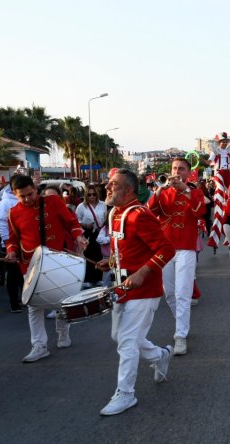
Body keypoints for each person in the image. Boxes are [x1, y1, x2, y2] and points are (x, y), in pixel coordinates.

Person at [95, 169, 176, 416]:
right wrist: (109, 262)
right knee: (120, 338)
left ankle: (126, 394)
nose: (107, 188)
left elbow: (165, 249)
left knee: (127, 342)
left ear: (128, 190)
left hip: (145, 290)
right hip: (120, 288)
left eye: (113, 185)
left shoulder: (140, 215)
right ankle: (160, 355)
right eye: (108, 184)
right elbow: (125, 249)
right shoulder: (114, 213)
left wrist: (141, 273)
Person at [5, 175, 88, 362]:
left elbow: (71, 222)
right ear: (14, 194)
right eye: (22, 196)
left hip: (57, 260)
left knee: (61, 301)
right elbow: (12, 240)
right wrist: (11, 252)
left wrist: (78, 237)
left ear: (36, 189)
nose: (27, 199)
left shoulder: (53, 202)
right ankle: (39, 345)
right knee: (34, 307)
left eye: (30, 194)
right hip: (30, 264)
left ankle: (63, 333)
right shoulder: (13, 213)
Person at [147, 157, 205, 356]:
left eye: (181, 169)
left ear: (188, 173)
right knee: (170, 293)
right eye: (174, 168)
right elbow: (148, 213)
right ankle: (183, 324)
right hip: (165, 248)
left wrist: (186, 191)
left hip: (186, 248)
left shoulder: (195, 192)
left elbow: (200, 212)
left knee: (182, 292)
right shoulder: (164, 191)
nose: (177, 172)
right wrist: (158, 191)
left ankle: (180, 335)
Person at [0, 175, 24, 312]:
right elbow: (1, 224)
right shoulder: (5, 203)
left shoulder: (23, 199)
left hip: (25, 244)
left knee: (22, 275)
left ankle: (22, 298)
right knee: (13, 275)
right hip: (11, 245)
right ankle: (14, 303)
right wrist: (9, 245)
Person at [75, 185, 108, 287]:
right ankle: (88, 279)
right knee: (88, 255)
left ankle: (98, 278)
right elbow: (76, 221)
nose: (92, 196)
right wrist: (84, 225)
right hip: (88, 233)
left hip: (99, 232)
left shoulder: (103, 205)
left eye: (93, 194)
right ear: (86, 195)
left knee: (99, 254)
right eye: (89, 194)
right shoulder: (81, 206)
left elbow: (105, 217)